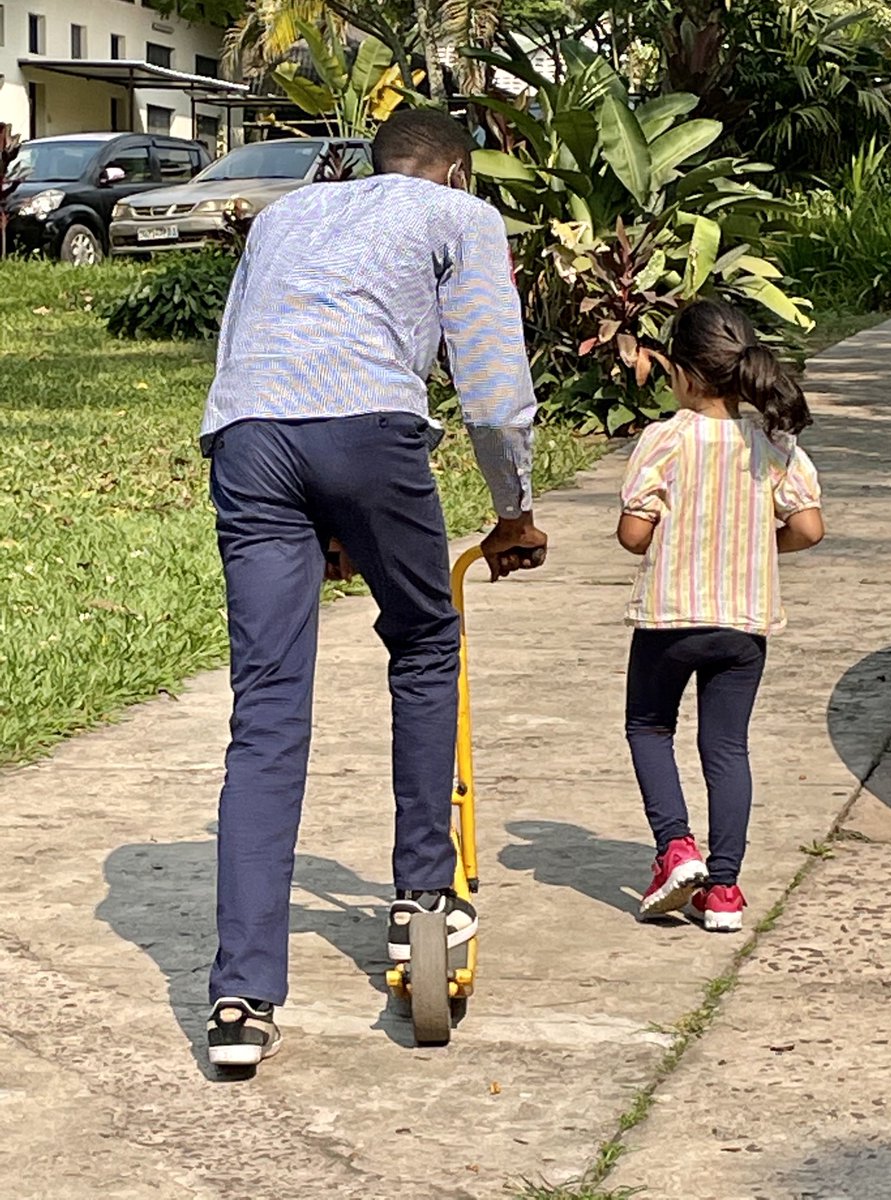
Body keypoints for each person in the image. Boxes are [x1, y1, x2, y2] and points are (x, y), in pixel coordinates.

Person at [200, 109, 548, 1067]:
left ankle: (240, 1001)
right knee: (426, 640)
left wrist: (323, 520)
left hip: (247, 438)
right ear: (458, 172)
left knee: (266, 709)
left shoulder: (285, 215)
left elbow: (245, 351)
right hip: (368, 429)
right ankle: (425, 896)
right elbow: (493, 388)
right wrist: (513, 513)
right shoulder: (459, 216)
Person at [617, 300, 824, 933]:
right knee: (727, 746)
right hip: (743, 624)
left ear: (681, 373)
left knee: (649, 727)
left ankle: (676, 848)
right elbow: (808, 528)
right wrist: (759, 543)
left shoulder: (666, 439)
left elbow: (633, 535)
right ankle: (725, 890)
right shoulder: (771, 443)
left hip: (671, 619)